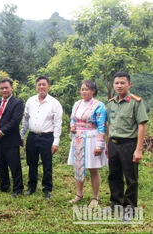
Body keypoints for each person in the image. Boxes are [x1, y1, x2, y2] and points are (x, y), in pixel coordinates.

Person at [106, 71, 148, 217]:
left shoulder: (136, 102)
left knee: (131, 178)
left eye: (122, 83)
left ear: (129, 84)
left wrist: (139, 149)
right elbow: (110, 125)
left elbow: (141, 125)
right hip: (113, 144)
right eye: (116, 83)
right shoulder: (111, 103)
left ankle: (129, 209)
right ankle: (116, 204)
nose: (119, 85)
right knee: (114, 175)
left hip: (129, 144)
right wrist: (107, 145)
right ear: (113, 85)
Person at [20, 75, 63, 199]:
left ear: (48, 86)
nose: (41, 87)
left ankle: (47, 189)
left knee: (47, 164)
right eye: (39, 84)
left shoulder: (54, 103)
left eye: (44, 84)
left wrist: (56, 142)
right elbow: (26, 119)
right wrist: (22, 135)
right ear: (36, 86)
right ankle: (31, 186)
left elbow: (57, 123)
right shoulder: (30, 101)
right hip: (32, 137)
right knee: (31, 163)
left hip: (47, 138)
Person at [67, 80, 107, 208]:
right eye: (82, 89)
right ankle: (79, 194)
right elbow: (72, 118)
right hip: (78, 138)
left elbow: (102, 125)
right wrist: (72, 127)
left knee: (92, 168)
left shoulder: (98, 105)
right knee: (78, 166)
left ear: (93, 91)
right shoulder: (77, 104)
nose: (83, 91)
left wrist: (99, 145)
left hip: (91, 139)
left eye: (86, 89)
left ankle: (95, 197)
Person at [0, 78, 24, 198]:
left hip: (10, 139)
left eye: (6, 87)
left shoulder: (17, 102)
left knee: (14, 165)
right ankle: (4, 185)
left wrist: (2, 131)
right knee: (1, 164)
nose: (4, 90)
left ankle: (18, 188)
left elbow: (15, 121)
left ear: (11, 88)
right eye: (2, 88)